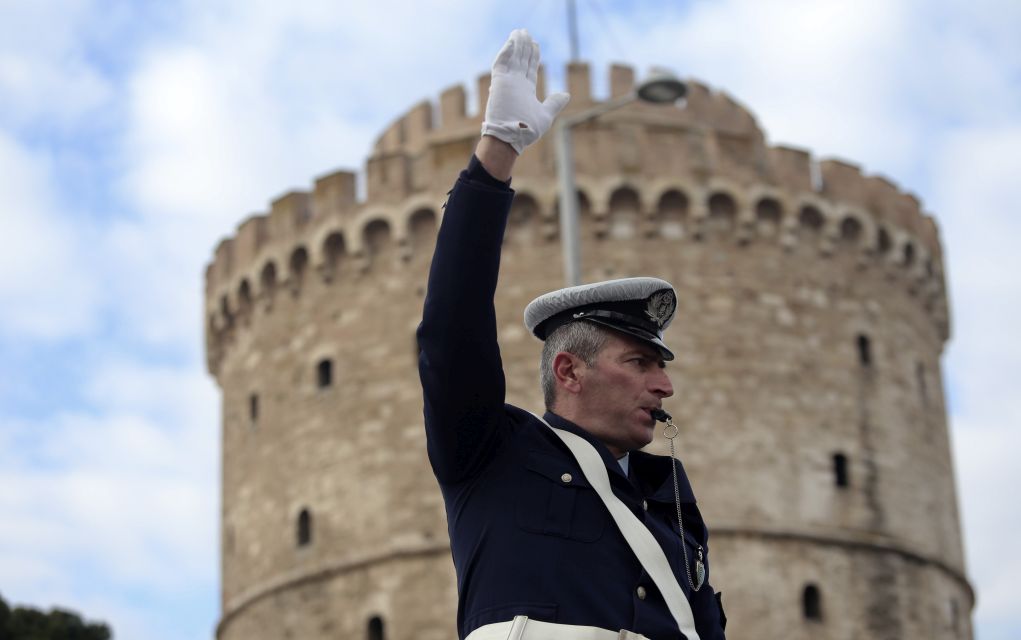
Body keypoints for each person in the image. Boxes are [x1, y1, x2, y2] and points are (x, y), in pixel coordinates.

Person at [417, 29, 726, 640]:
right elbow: (453, 330)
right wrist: (496, 156)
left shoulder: (670, 511)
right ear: (569, 371)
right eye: (638, 363)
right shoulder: (492, 456)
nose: (663, 386)